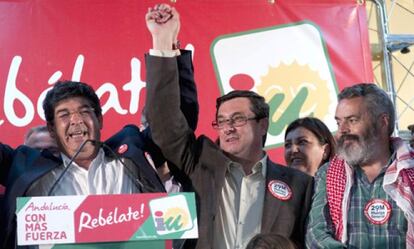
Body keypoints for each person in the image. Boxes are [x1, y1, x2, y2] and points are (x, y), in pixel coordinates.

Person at [0, 27, 197, 248]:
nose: (76, 120)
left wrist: (163, 46)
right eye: (64, 114)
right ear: (53, 130)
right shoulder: (25, 166)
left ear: (100, 120)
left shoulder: (132, 152)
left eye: (84, 111)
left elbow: (173, 126)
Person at [145, 4, 314, 249]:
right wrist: (163, 42)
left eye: (237, 119)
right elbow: (165, 123)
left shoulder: (299, 184)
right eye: (222, 121)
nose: (228, 128)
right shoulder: (200, 164)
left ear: (263, 124)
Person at [306, 83, 414, 248]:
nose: (342, 130)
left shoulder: (409, 170)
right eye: (338, 122)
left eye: (352, 120)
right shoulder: (329, 174)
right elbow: (315, 234)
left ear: (382, 122)